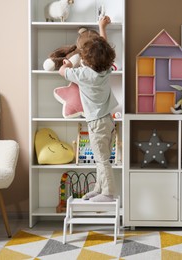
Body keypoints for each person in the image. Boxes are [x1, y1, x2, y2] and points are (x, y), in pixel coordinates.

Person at [59, 15, 117, 202]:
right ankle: (100, 189)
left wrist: (66, 64)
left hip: (96, 122)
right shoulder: (105, 69)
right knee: (102, 158)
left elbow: (63, 72)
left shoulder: (83, 74)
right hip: (107, 120)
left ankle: (108, 193)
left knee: (101, 160)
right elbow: (103, 47)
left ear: (85, 59)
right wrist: (102, 28)